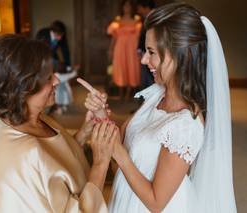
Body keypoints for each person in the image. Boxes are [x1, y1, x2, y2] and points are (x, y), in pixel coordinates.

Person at [86, 3, 237, 213]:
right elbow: (122, 141)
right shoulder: (157, 93)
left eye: (151, 52)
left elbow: (157, 202)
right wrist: (101, 114)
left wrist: (119, 154)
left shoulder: (186, 124)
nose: (144, 59)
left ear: (178, 56)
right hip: (127, 195)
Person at [0, 34, 118, 212]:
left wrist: (84, 132)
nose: (57, 80)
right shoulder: (24, 154)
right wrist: (101, 163)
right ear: (24, 87)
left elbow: (54, 159)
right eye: (49, 77)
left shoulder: (24, 117)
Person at [107, 0, 142, 100]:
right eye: (125, 6)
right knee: (120, 67)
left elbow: (140, 37)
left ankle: (128, 93)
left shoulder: (137, 20)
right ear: (122, 7)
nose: (127, 8)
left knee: (131, 68)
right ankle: (121, 93)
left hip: (132, 48)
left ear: (132, 7)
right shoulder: (117, 20)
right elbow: (114, 37)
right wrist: (110, 49)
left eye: (129, 6)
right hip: (120, 47)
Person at [136, 0, 156, 90]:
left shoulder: (154, 18)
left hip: (148, 52)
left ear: (146, 7)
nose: (138, 10)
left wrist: (142, 50)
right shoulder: (145, 18)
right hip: (146, 51)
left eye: (139, 7)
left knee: (149, 76)